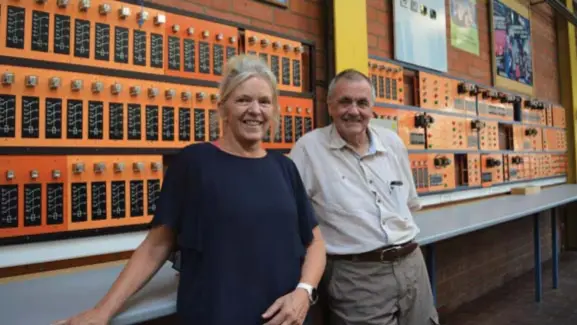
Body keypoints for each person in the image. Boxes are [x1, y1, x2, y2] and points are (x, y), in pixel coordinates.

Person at [53, 54, 326, 325]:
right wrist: (103, 311)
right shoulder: (194, 163)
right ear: (223, 109)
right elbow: (156, 245)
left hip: (288, 318)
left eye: (264, 102)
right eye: (243, 100)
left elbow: (314, 242)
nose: (255, 110)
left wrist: (303, 292)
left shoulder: (284, 168)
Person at [289, 69, 439, 325]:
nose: (354, 111)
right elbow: (294, 220)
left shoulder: (393, 144)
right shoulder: (308, 149)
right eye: (345, 101)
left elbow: (407, 204)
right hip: (357, 277)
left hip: (413, 265)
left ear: (373, 108)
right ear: (330, 105)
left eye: (362, 103)